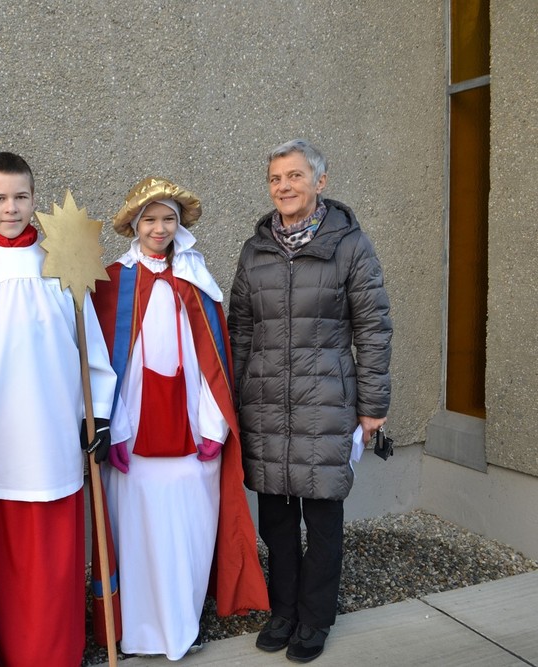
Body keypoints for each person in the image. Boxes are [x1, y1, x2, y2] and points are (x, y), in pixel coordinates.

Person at [0, 152, 116, 667]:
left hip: (58, 434)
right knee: (6, 563)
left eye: (20, 197)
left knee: (58, 562)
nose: (11, 208)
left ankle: (61, 654)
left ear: (35, 200)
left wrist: (99, 412)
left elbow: (89, 344)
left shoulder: (63, 260)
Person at [90, 177, 269, 659]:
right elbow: (104, 364)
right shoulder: (112, 281)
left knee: (188, 533)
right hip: (133, 436)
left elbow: (213, 360)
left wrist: (214, 424)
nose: (159, 228)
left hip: (192, 431)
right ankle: (139, 631)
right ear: (134, 224)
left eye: (168, 218)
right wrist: (113, 429)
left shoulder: (196, 278)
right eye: (149, 219)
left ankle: (181, 627)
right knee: (138, 534)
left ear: (179, 224)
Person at [228, 139, 392, 663]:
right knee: (276, 521)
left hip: (326, 404)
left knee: (321, 521)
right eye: (276, 179)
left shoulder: (350, 245)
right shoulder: (255, 251)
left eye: (295, 176)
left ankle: (315, 618)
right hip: (265, 406)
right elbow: (240, 330)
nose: (284, 187)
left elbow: (373, 329)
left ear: (320, 182)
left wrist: (373, 405)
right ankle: (283, 611)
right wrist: (233, 400)